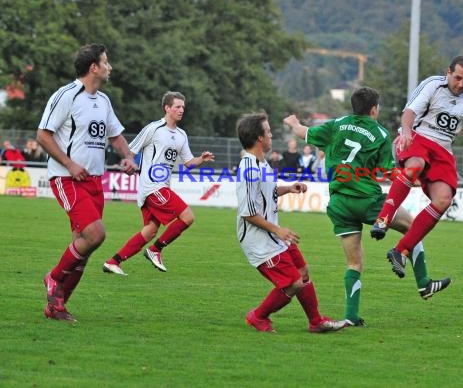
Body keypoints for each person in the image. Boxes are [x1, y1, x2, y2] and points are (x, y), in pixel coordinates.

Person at [284, 86, 451, 327]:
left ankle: (351, 317)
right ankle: (424, 282)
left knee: (354, 263)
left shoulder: (336, 125)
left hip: (339, 203)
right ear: (374, 110)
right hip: (368, 200)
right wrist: (412, 180)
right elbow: (386, 172)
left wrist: (293, 122)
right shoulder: (380, 134)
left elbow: (303, 133)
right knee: (414, 228)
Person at [370, 56, 463, 278]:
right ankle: (383, 219)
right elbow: (409, 113)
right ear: (448, 72)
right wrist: (407, 133)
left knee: (443, 200)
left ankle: (400, 251)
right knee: (416, 165)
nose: (461, 84)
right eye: (457, 78)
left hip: (443, 149)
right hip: (417, 137)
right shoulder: (433, 84)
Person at [37, 43, 137, 322]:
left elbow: (115, 136)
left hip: (95, 180)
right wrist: (69, 163)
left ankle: (56, 307)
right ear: (94, 67)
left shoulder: (103, 101)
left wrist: (127, 156)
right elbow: (43, 135)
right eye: (106, 62)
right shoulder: (66, 96)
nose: (110, 67)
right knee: (95, 235)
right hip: (67, 178)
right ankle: (53, 278)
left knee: (84, 246)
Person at [235, 112, 346, 333]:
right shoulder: (248, 168)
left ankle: (316, 322)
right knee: (293, 282)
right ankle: (258, 316)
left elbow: (266, 192)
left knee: (303, 271)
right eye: (267, 131)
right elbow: (248, 212)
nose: (271, 134)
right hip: (259, 241)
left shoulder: (262, 164)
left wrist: (288, 188)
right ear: (259, 138)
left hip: (273, 236)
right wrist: (278, 230)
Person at [103, 91, 215, 276]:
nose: (181, 110)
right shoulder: (153, 129)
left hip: (161, 187)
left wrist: (201, 159)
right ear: (167, 108)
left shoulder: (181, 135)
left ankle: (113, 262)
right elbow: (131, 149)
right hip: (152, 187)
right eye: (177, 107)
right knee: (188, 217)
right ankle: (155, 250)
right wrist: (129, 162)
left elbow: (188, 163)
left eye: (183, 107)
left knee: (149, 231)